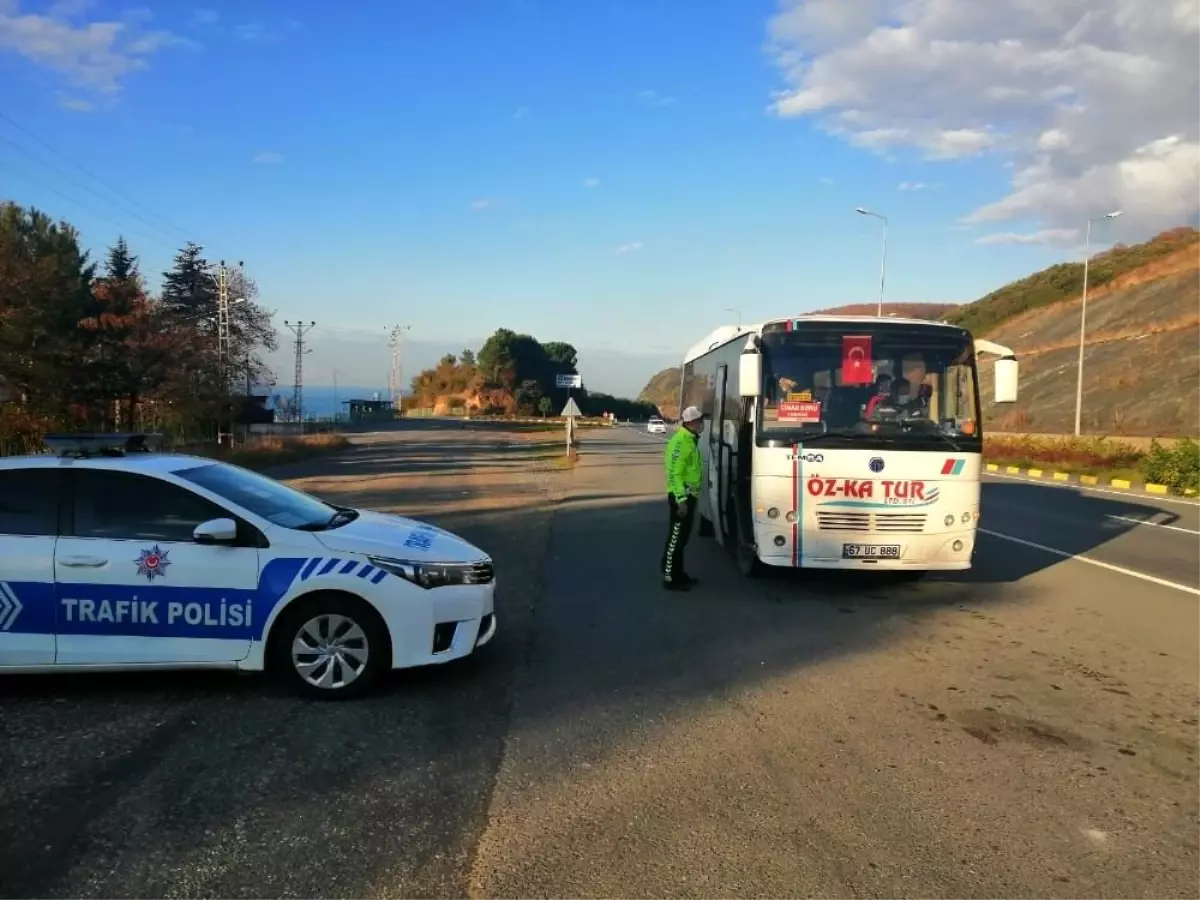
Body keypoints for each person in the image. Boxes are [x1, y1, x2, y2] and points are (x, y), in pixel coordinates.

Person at [662, 405, 704, 591]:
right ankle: (670, 577)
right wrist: (681, 500)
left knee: (683, 539)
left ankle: (679, 574)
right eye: (700, 421)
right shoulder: (681, 441)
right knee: (675, 539)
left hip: (690, 496)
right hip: (682, 498)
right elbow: (673, 473)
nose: (702, 424)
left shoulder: (690, 439)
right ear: (692, 422)